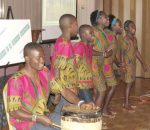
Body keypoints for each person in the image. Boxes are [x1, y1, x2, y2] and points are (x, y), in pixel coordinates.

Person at [7, 42, 94, 130]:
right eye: (38, 58)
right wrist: (38, 118)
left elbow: (63, 90)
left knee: (73, 125)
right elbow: (13, 111)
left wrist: (81, 103)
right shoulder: (16, 80)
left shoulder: (44, 72)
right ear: (27, 59)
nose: (42, 61)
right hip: (26, 123)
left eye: (43, 57)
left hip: (44, 116)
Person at [50, 14, 95, 113]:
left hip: (68, 88)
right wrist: (58, 93)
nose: (77, 28)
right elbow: (57, 68)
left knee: (63, 114)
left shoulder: (62, 40)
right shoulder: (65, 44)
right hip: (67, 89)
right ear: (71, 25)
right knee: (62, 115)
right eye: (76, 24)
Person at [90, 10, 116, 118]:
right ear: (99, 19)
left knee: (100, 91)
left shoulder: (102, 32)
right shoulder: (94, 32)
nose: (107, 19)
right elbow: (89, 49)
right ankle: (95, 119)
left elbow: (102, 50)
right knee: (101, 91)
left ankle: (96, 117)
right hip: (94, 65)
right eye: (106, 17)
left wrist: (108, 51)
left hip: (100, 65)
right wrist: (103, 53)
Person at [121, 20, 148, 112]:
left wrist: (143, 63)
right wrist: (123, 65)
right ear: (126, 28)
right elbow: (122, 53)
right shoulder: (125, 40)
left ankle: (126, 102)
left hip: (133, 65)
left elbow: (136, 52)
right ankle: (126, 104)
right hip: (127, 66)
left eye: (134, 26)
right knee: (128, 84)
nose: (134, 28)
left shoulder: (134, 39)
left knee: (131, 83)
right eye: (132, 26)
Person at [74, 24, 94, 102]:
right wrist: (75, 85)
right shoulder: (79, 47)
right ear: (84, 35)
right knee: (89, 104)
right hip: (81, 84)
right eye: (91, 33)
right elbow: (73, 65)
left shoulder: (88, 46)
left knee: (86, 105)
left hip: (86, 82)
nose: (93, 35)